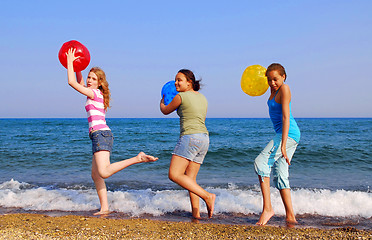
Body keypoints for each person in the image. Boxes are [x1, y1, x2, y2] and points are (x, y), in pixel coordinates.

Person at [65, 48, 158, 215]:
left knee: (104, 172)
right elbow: (78, 81)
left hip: (101, 135)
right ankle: (105, 207)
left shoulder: (95, 93)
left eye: (93, 78)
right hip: (97, 136)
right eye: (89, 77)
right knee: (96, 175)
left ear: (100, 82)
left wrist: (70, 62)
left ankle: (138, 158)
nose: (89, 80)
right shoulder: (93, 93)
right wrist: (78, 64)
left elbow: (72, 83)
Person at [160, 69, 216, 219]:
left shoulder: (181, 97)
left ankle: (207, 196)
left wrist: (162, 99)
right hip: (204, 138)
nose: (176, 83)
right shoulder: (203, 98)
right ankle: (196, 214)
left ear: (189, 83)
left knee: (174, 174)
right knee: (190, 180)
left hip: (190, 137)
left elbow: (165, 110)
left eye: (179, 80)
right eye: (175, 80)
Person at [254, 63, 300, 226]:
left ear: (283, 77)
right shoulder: (272, 90)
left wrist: (283, 144)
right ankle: (290, 217)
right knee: (280, 175)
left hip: (289, 134)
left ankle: (267, 209)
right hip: (282, 134)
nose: (272, 83)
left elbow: (286, 118)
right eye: (269, 80)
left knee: (260, 162)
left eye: (275, 79)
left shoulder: (285, 89)